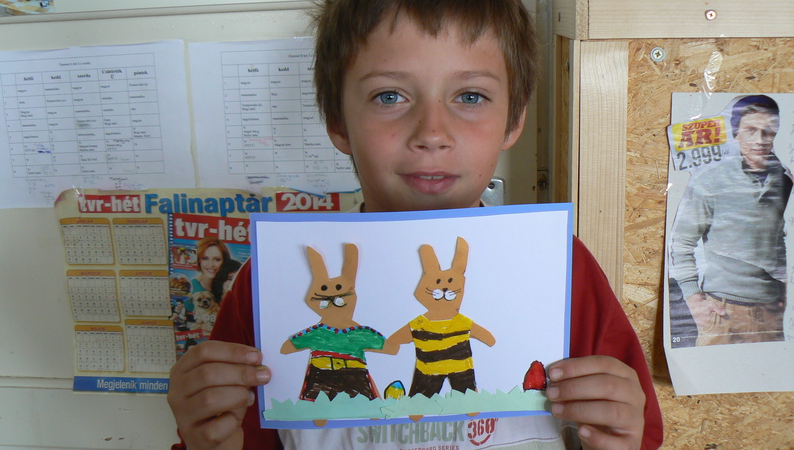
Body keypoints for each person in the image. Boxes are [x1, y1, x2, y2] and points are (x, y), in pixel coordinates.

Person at [167, 1, 663, 449]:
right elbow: (234, 434)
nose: (432, 133)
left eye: (470, 96)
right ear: (338, 122)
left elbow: (632, 432)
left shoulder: (559, 268)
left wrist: (620, 438)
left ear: (514, 120)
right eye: (389, 96)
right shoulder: (272, 282)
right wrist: (209, 439)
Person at [669, 95, 790, 346]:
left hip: (775, 315)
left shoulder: (786, 182)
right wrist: (693, 299)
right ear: (736, 133)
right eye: (750, 130)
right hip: (721, 314)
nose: (759, 140)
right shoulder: (710, 180)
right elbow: (681, 243)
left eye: (768, 131)